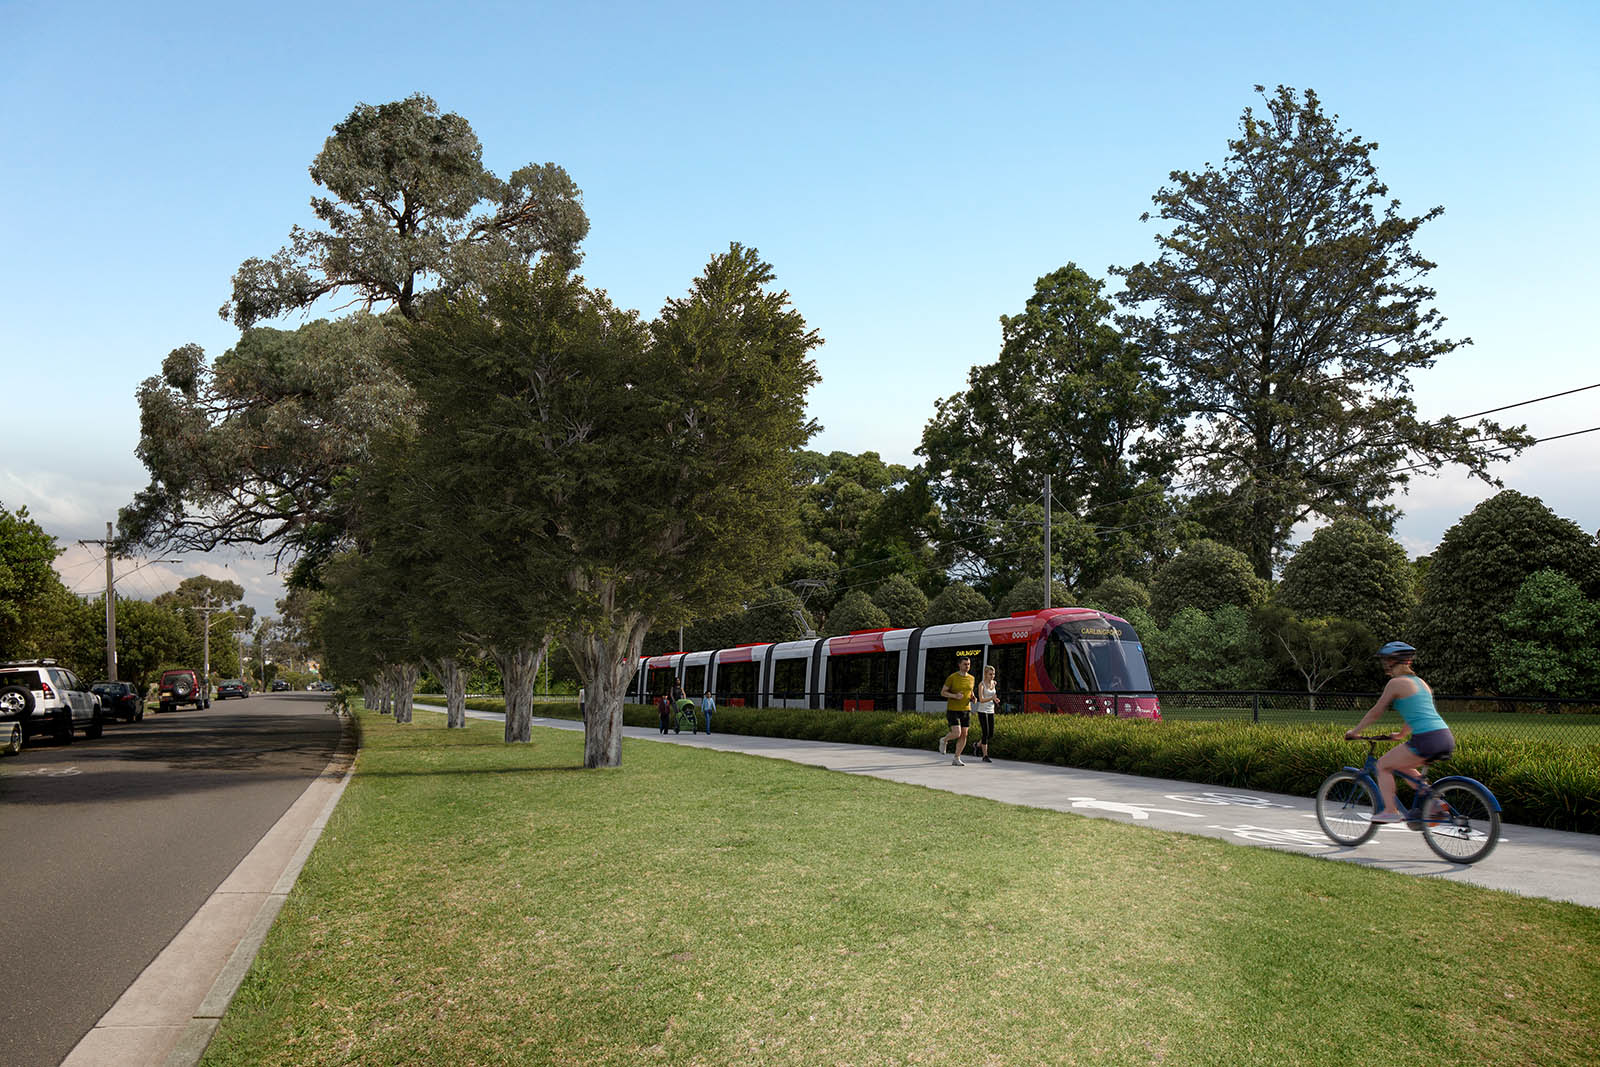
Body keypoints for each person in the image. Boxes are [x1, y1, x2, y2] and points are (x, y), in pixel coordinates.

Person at [1344, 641, 1455, 822]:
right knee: (1405, 766)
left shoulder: (1395, 683)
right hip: (1444, 736)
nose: (1385, 664)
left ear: (1392, 661)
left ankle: (1390, 811)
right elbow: (1418, 713)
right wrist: (1402, 734)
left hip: (1426, 739)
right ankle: (1434, 804)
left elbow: (1376, 711)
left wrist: (1354, 732)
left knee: (1382, 766)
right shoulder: (1421, 683)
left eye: (1386, 660)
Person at [938, 656, 976, 766]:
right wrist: (954, 695)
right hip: (953, 709)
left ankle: (956, 758)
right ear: (959, 665)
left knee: (964, 734)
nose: (967, 666)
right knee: (957, 733)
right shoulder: (952, 677)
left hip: (966, 709)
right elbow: (943, 692)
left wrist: (973, 697)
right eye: (965, 664)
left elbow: (970, 691)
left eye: (968, 664)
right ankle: (944, 740)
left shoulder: (971, 678)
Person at [973, 664, 998, 763]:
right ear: (985, 674)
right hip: (982, 711)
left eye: (994, 674)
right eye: (990, 674)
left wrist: (995, 699)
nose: (992, 676)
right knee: (985, 733)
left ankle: (977, 745)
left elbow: (993, 695)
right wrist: (991, 698)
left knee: (990, 734)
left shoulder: (994, 683)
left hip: (991, 710)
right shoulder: (981, 685)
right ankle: (985, 755)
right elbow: (981, 699)